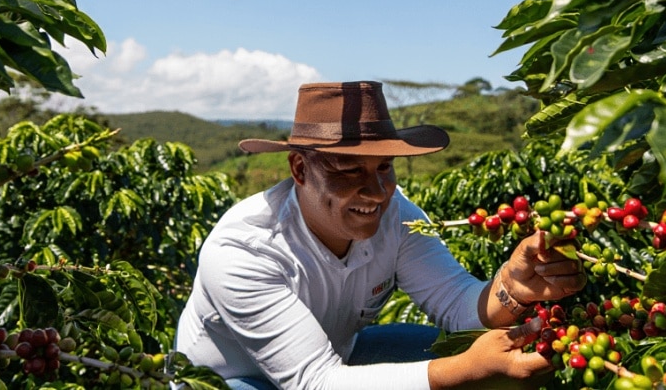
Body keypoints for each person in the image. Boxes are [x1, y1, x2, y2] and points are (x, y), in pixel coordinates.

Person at [175, 81, 586, 390]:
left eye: (383, 168)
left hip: (337, 356)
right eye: (348, 169)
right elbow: (315, 382)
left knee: (463, 352)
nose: (376, 191)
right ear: (299, 170)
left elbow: (456, 304)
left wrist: (510, 286)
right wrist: (464, 369)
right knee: (461, 368)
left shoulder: (396, 215)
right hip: (231, 378)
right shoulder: (244, 250)